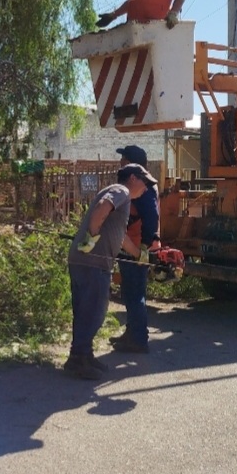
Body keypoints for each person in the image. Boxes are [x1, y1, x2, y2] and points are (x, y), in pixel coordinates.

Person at [64, 163, 158, 380]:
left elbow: (120, 236)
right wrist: (92, 235)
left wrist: (138, 255)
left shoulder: (122, 200)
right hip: (92, 263)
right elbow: (101, 209)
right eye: (144, 183)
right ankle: (78, 359)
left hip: (87, 262)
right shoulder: (121, 191)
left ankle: (83, 355)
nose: (146, 189)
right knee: (94, 312)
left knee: (86, 310)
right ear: (133, 178)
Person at [111, 145, 162, 354]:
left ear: (132, 162)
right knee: (130, 291)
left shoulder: (143, 185)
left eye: (124, 158)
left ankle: (139, 339)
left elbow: (151, 217)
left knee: (134, 293)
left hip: (135, 247)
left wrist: (143, 247)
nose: (121, 162)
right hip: (131, 247)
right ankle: (132, 333)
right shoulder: (142, 183)